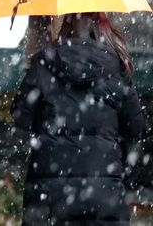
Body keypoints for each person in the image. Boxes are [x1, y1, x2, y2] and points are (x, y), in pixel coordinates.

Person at [11, 12, 144, 225]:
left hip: (50, 198)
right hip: (104, 195)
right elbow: (136, 127)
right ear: (102, 29)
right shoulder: (116, 68)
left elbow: (20, 118)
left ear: (65, 26)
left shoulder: (45, 63)